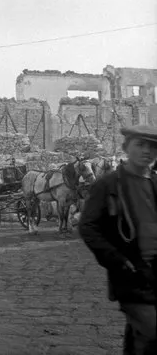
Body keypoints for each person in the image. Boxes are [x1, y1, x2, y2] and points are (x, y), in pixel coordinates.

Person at [79, 124, 157, 355]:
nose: (147, 152)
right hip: (131, 272)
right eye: (140, 145)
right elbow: (88, 226)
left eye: (153, 147)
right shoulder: (108, 184)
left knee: (141, 335)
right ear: (126, 148)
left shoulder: (155, 183)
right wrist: (117, 260)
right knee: (152, 330)